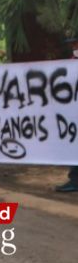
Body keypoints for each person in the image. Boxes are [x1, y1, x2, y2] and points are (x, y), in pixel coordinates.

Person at [56, 36, 78, 192]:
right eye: (72, 44)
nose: (73, 46)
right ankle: (75, 180)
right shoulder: (71, 62)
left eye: (75, 43)